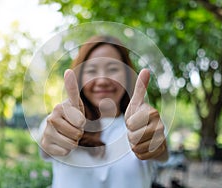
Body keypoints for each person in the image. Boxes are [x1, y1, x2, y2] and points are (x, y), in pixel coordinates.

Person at [39, 35, 168, 188]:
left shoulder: (146, 123)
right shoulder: (61, 121)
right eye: (92, 70)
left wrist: (155, 144)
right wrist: (52, 139)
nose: (102, 81)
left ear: (127, 76)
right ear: (79, 78)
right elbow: (46, 145)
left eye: (113, 69)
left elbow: (163, 153)